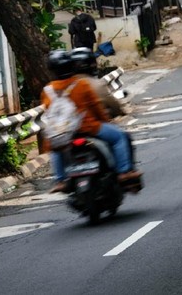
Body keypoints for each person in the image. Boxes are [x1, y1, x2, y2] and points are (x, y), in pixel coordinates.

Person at [41, 50, 141, 193]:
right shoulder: (81, 84)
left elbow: (49, 112)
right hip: (88, 127)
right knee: (119, 137)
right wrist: (104, 121)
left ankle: (60, 180)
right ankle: (124, 172)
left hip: (62, 133)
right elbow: (96, 106)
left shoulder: (47, 90)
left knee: (56, 148)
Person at [70, 47, 126, 119]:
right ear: (92, 64)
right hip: (93, 126)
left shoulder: (61, 87)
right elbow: (115, 107)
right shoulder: (97, 85)